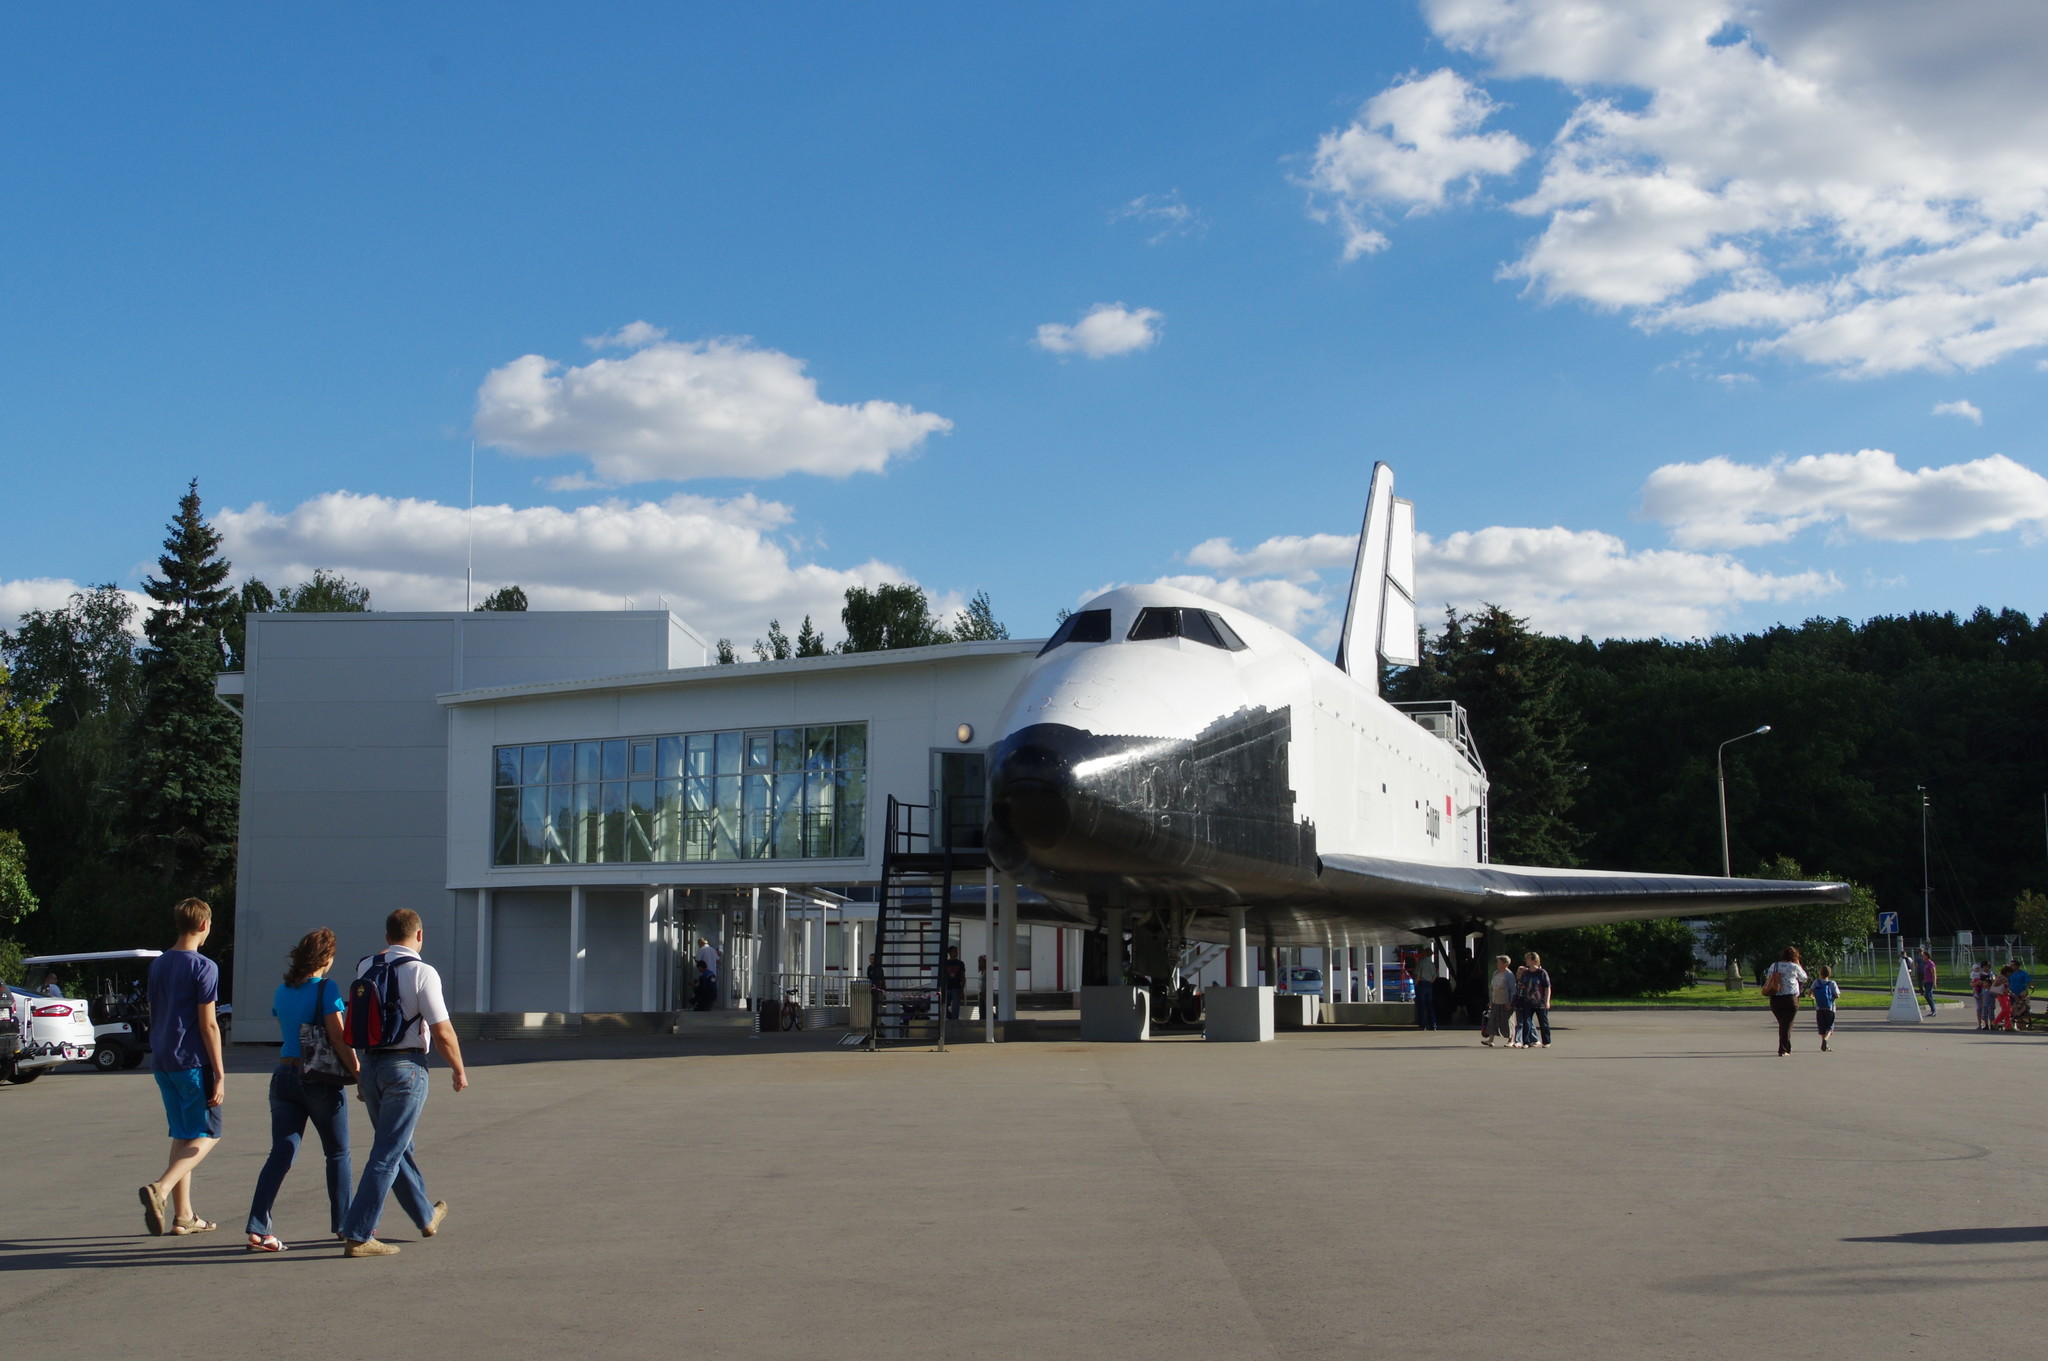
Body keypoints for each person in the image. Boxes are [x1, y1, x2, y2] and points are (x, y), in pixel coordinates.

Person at [337, 909, 469, 1258]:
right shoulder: (423, 972)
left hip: (371, 1064)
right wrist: (458, 1068)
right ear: (420, 936)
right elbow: (442, 1030)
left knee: (397, 1145)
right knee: (387, 1152)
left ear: (387, 937)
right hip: (405, 1068)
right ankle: (359, 1233)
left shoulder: (366, 967)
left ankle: (426, 1215)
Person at [243, 927, 358, 1252]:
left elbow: (286, 1024)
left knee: (280, 1154)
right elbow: (337, 1035)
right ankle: (343, 1224)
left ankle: (258, 1226)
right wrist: (359, 1073)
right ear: (326, 957)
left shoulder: (283, 989)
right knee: (337, 1152)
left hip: (284, 1075)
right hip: (319, 1080)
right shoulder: (326, 988)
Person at [138, 898, 227, 1237]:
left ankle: (183, 1216)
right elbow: (209, 1025)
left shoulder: (158, 964)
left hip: (162, 1060)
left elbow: (153, 1009)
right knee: (209, 1134)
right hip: (192, 1062)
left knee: (183, 1134)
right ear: (204, 925)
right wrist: (219, 1073)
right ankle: (160, 1189)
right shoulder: (204, 967)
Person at [1763, 947, 1810, 1056]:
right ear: (1794, 957)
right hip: (1790, 999)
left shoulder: (1774, 965)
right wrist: (1798, 965)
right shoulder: (1794, 967)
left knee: (1783, 1024)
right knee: (1786, 1025)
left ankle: (1787, 1047)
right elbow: (1804, 978)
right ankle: (1783, 1049)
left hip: (1775, 998)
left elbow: (1768, 976)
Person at [1515, 952, 1553, 1048]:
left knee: (1543, 1022)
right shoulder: (1526, 973)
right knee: (1526, 1021)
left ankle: (1546, 1041)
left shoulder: (1542, 973)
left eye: (1527, 959)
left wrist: (1547, 1001)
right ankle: (1527, 1042)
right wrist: (1520, 985)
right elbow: (1522, 984)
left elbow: (1547, 987)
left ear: (1534, 960)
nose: (1526, 960)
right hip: (1527, 1001)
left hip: (1540, 1002)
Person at [1482, 955, 1515, 1047]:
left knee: (1508, 1021)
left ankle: (1511, 1040)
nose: (1497, 964)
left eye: (1499, 962)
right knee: (1492, 1020)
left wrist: (1511, 1002)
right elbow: (1492, 988)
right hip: (1496, 1000)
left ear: (1505, 964)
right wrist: (1491, 1001)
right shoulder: (1496, 973)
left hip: (1505, 1001)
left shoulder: (1509, 975)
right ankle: (1491, 1039)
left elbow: (1513, 990)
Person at [1811, 964, 1840, 1053]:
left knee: (1822, 1028)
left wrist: (1813, 997)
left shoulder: (1816, 982)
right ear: (1829, 974)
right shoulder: (1832, 983)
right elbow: (1837, 995)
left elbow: (1810, 992)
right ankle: (1826, 1040)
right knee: (1830, 1027)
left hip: (1819, 1008)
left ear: (1820, 973)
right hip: (1830, 1009)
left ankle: (1824, 1043)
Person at [2005, 959, 2032, 1032]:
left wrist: (2031, 986)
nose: (2011, 966)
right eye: (2011, 965)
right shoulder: (2009, 974)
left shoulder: (2023, 973)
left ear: (2017, 966)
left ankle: (2020, 1024)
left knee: (2019, 1009)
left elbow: (2029, 981)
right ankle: (2010, 1024)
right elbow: (2006, 982)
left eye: (2013, 965)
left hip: (2020, 994)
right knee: (2010, 1009)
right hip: (2011, 994)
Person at [1413, 951, 1438, 1031]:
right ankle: (1433, 1024)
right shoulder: (1432, 964)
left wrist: (1415, 984)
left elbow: (1417, 975)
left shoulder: (1421, 963)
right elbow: (1435, 975)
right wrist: (1430, 982)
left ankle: (1423, 1025)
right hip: (1429, 984)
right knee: (1429, 1005)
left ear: (1425, 954)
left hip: (1421, 984)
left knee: (1421, 1005)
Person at [942, 946, 967, 1021]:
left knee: (955, 1007)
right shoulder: (945, 963)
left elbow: (963, 977)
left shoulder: (960, 963)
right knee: (943, 1005)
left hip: (956, 988)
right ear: (950, 953)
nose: (956, 953)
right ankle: (951, 1018)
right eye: (954, 951)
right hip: (946, 987)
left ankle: (954, 1020)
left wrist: (962, 989)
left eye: (957, 951)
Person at [1971, 958, 1995, 1031]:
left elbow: (1994, 982)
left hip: (1989, 992)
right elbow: (1972, 983)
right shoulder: (1978, 973)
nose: (1986, 968)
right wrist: (1977, 983)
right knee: (1980, 1009)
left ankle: (1992, 1024)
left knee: (1989, 1009)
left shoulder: (1991, 974)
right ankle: (1980, 1024)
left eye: (1987, 966)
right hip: (1979, 992)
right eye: (1984, 967)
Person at [1915, 947, 1938, 1018]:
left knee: (1927, 995)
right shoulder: (1926, 963)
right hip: (1926, 982)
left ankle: (1934, 1010)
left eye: (1924, 956)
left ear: (1927, 956)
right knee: (1929, 996)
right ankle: (1933, 1010)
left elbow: (1933, 973)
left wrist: (1934, 982)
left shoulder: (1931, 963)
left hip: (1930, 982)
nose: (1923, 957)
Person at [1991, 964, 2013, 1031]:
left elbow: (2006, 987)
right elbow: (1996, 984)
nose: (2010, 974)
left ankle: (2007, 1025)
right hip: (2001, 994)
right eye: (2010, 972)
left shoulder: (2006, 978)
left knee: (2009, 1010)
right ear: (2007, 972)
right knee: (2005, 1009)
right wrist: (2003, 981)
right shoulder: (2001, 976)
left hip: (2005, 994)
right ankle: (1995, 1022)